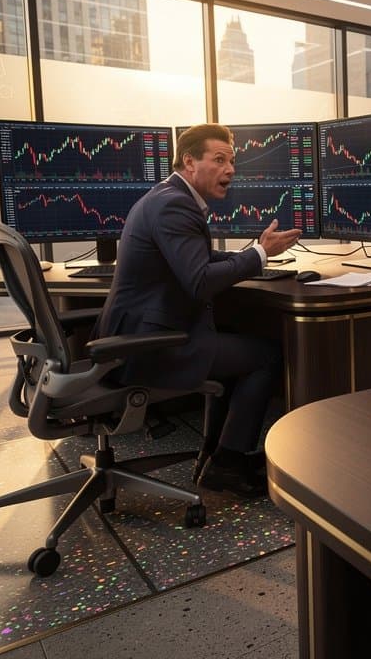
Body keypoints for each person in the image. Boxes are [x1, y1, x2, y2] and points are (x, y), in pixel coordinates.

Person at [93, 123, 302, 497]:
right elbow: (200, 280)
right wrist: (259, 255)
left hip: (137, 334)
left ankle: (217, 452)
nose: (230, 169)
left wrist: (252, 254)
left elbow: (196, 258)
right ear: (189, 161)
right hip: (146, 346)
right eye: (219, 159)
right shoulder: (174, 205)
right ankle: (228, 463)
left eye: (232, 161)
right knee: (266, 356)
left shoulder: (167, 196)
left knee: (239, 345)